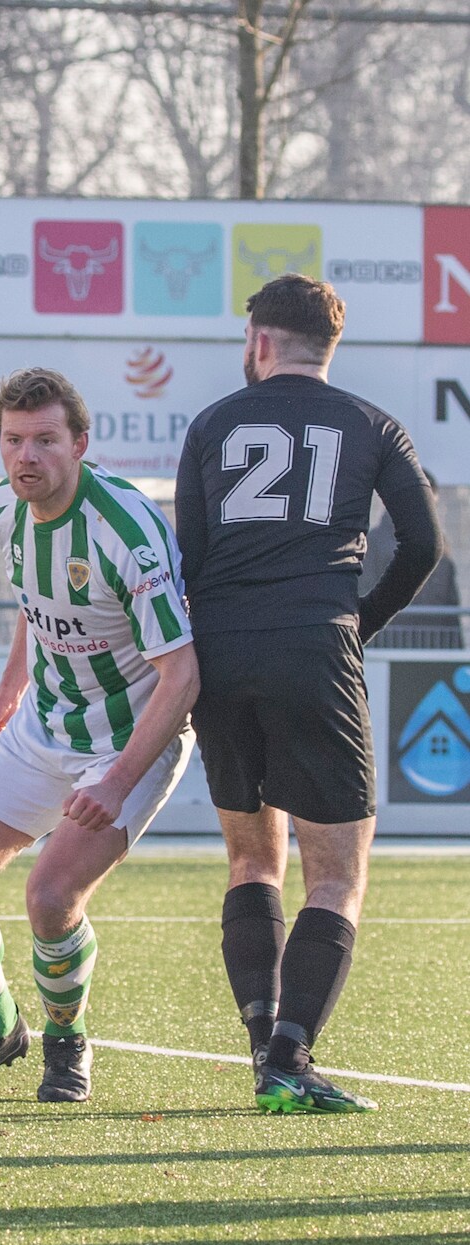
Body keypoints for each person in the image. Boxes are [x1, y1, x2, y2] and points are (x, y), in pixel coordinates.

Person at [175, 273, 443, 1114]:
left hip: (221, 655)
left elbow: (189, 556)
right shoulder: (371, 423)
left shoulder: (214, 423)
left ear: (259, 342)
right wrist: (356, 623)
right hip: (316, 648)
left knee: (254, 858)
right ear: (328, 346)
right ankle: (290, 1061)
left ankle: (264, 1047)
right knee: (337, 875)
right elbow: (425, 545)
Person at [0, 368, 200, 1103]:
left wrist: (116, 780)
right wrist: (9, 691)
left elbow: (183, 676)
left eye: (45, 440)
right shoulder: (7, 509)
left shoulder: (127, 529)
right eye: (13, 441)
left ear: (80, 442)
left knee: (49, 897)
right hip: (44, 724)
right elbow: (32, 599)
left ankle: (67, 1040)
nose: (26, 457)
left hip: (130, 740)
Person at [360, 471, 461, 649]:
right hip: (385, 650)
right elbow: (363, 593)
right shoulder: (372, 544)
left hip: (431, 652)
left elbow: (450, 610)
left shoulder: (443, 554)